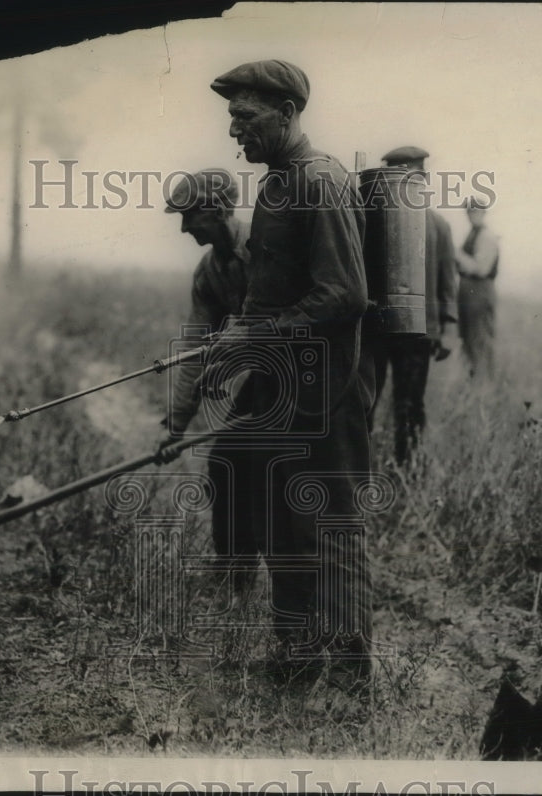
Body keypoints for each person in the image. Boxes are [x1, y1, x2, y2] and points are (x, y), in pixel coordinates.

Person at [205, 59, 375, 696]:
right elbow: (269, 292)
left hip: (331, 387)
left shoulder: (319, 182)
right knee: (281, 522)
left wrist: (256, 337)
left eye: (245, 119)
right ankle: (297, 659)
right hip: (284, 386)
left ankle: (355, 681)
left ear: (287, 113)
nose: (234, 132)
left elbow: (345, 296)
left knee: (333, 527)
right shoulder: (278, 183)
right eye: (231, 120)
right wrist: (238, 342)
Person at [157, 168, 259, 601]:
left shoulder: (264, 247)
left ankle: (293, 590)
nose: (183, 228)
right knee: (226, 465)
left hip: (317, 372)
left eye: (189, 216)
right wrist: (176, 426)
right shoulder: (210, 270)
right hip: (271, 375)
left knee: (274, 472)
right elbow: (195, 351)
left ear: (216, 210)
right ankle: (234, 574)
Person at [373, 145, 459, 464]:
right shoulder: (374, 217)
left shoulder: (438, 224)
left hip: (419, 334)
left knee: (409, 404)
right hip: (378, 329)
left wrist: (447, 328)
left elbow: (448, 280)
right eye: (401, 175)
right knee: (367, 399)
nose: (412, 182)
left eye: (416, 176)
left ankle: (408, 472)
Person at [454, 197, 499, 379]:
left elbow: (481, 269)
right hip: (467, 292)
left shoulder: (486, 236)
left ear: (484, 212)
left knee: (480, 339)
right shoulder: (472, 234)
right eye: (469, 211)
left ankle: (484, 386)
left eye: (475, 211)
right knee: (468, 339)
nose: (471, 215)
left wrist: (455, 253)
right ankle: (474, 384)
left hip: (480, 291)